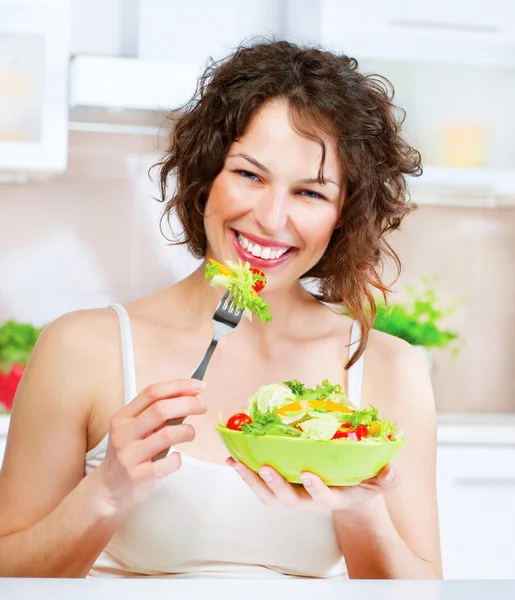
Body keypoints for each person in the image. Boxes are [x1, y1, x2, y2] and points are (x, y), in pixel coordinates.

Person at [0, 39, 441, 579]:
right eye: (250, 175)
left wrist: (361, 509)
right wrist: (105, 493)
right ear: (206, 175)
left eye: (310, 193)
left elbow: (422, 592)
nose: (271, 218)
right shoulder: (81, 347)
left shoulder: (389, 370)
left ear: (344, 216)